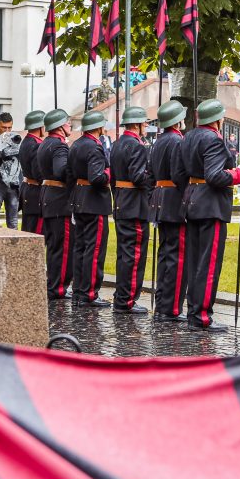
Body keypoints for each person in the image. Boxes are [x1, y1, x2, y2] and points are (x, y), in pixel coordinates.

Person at [179, 99, 240, 332]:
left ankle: (193, 311)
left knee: (194, 262)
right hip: (211, 206)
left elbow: (180, 173)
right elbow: (215, 176)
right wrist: (239, 173)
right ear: (217, 119)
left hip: (192, 201)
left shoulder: (189, 137)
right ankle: (201, 316)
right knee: (208, 264)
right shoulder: (213, 140)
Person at [110, 107, 155, 314]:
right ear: (136, 124)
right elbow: (138, 177)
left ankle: (121, 295)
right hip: (135, 206)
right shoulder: (137, 146)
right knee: (134, 255)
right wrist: (152, 182)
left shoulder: (118, 144)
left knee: (124, 253)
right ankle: (126, 300)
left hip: (121, 202)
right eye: (144, 123)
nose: (146, 126)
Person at [149, 100, 189, 322]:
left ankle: (162, 303)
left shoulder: (159, 141)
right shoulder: (176, 141)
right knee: (177, 257)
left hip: (160, 200)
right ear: (177, 121)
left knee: (165, 254)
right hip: (174, 201)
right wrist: (188, 194)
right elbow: (179, 174)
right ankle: (171, 308)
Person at [69, 110, 112, 308]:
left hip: (79, 198)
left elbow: (70, 173)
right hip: (94, 201)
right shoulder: (95, 147)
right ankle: (90, 293)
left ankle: (78, 289)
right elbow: (97, 177)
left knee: (80, 247)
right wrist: (108, 173)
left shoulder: (76, 144)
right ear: (98, 127)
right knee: (94, 249)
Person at [37, 109, 76, 300]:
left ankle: (53, 283)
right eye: (67, 122)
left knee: (54, 246)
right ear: (60, 126)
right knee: (63, 246)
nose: (70, 125)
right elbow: (61, 171)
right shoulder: (60, 147)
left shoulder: (45, 144)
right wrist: (74, 173)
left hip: (48, 197)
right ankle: (58, 287)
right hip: (60, 199)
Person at [19, 110, 45, 234]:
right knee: (36, 233)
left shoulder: (26, 142)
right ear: (40, 126)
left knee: (28, 230)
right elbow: (38, 173)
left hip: (28, 190)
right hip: (36, 192)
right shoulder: (36, 145)